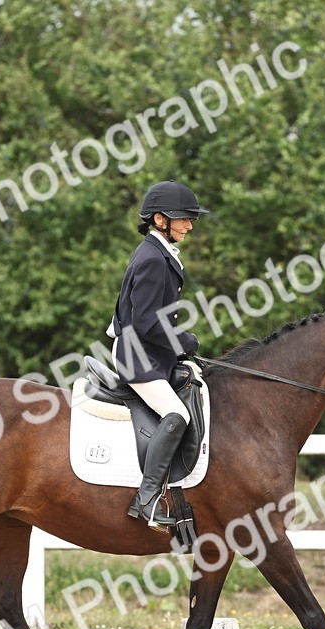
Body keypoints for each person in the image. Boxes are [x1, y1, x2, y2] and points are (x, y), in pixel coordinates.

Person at [107, 180, 208, 529]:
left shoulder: (157, 252)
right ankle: (147, 498)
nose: (189, 225)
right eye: (184, 219)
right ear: (161, 218)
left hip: (149, 353)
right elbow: (146, 322)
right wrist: (183, 342)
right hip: (139, 356)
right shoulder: (152, 258)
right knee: (177, 414)